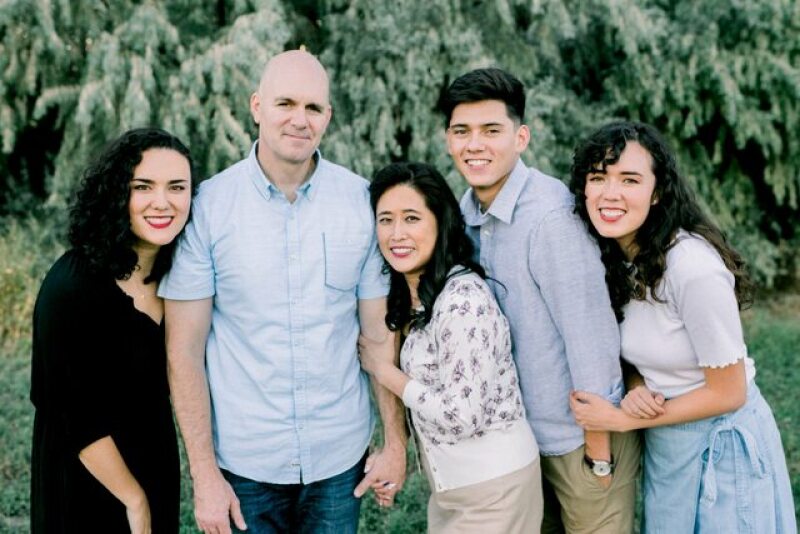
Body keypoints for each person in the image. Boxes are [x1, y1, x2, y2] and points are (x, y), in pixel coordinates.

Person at [158, 49, 407, 534]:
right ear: (256, 107)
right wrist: (204, 474)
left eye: (313, 108)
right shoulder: (208, 208)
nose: (300, 119)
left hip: (339, 460)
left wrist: (394, 443)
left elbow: (379, 337)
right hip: (244, 462)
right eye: (285, 103)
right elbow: (183, 352)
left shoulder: (361, 204)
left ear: (328, 117)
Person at [568, 121, 796, 533]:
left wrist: (624, 419)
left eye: (630, 179)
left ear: (657, 193)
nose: (610, 193)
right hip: (669, 444)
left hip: (722, 448)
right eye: (598, 177)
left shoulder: (691, 267)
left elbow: (729, 391)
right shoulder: (618, 258)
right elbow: (639, 349)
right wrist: (637, 388)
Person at [440, 67, 641, 533]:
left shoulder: (549, 218)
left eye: (492, 130)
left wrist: (598, 452)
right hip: (517, 446)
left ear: (521, 137)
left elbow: (590, 337)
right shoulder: (464, 215)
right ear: (448, 140)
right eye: (461, 131)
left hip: (578, 442)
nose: (475, 145)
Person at [358, 162, 543, 533]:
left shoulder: (463, 301)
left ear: (440, 221)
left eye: (411, 218)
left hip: (495, 490)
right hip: (453, 491)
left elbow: (463, 416)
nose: (397, 234)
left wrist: (386, 373)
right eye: (386, 219)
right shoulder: (415, 296)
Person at [30, 128, 194, 533]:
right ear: (116, 194)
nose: (162, 202)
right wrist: (134, 501)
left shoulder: (181, 278)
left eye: (177, 187)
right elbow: (74, 416)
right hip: (86, 481)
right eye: (143, 187)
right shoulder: (72, 286)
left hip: (153, 465)